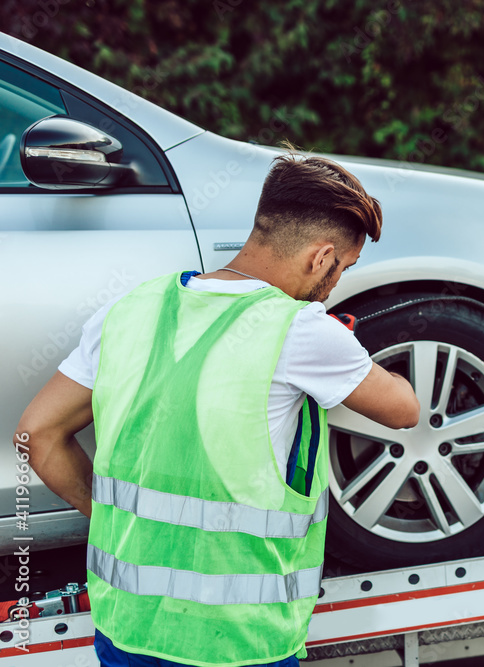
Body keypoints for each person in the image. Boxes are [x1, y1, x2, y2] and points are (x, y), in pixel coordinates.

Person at [14, 150, 421, 667]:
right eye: (343, 267)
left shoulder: (130, 310)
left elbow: (36, 433)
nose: (335, 283)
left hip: (127, 628)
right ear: (321, 258)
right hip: (237, 643)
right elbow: (403, 410)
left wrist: (112, 520)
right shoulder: (299, 329)